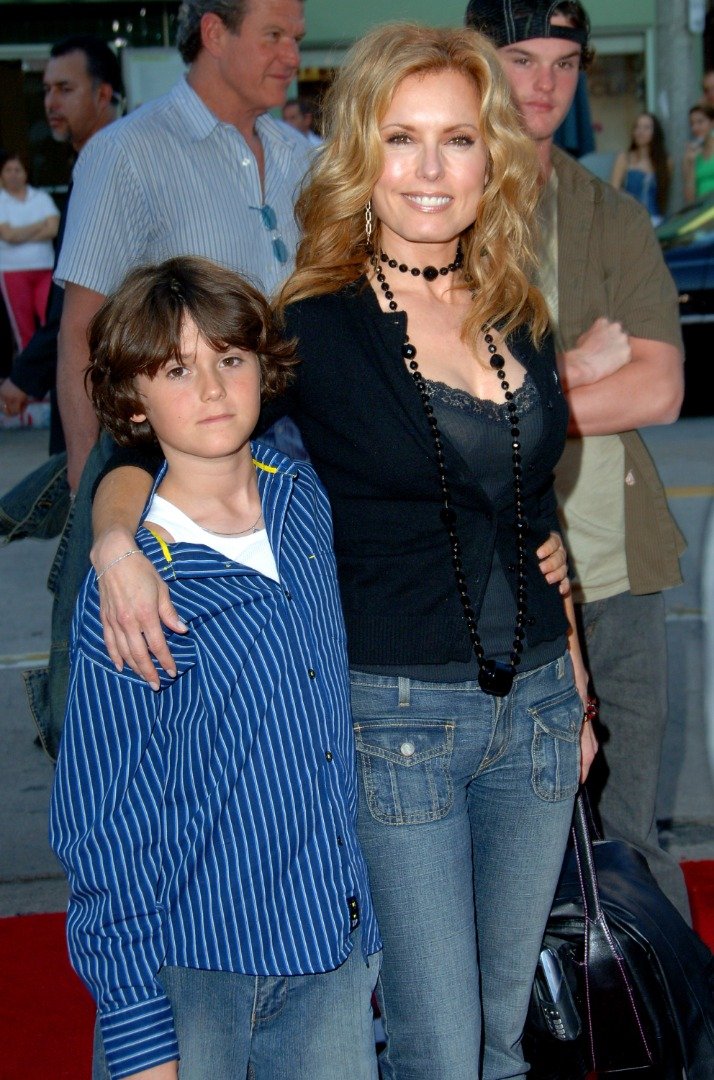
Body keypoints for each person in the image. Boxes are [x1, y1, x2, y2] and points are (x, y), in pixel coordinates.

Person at [86, 23, 596, 1079]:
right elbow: (168, 434)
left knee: (503, 1036)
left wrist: (580, 683)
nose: (428, 170)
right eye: (401, 138)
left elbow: (527, 504)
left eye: (456, 140)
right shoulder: (312, 330)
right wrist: (113, 539)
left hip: (541, 717)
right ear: (359, 153)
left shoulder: (518, 310)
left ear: (489, 156)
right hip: (397, 728)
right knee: (438, 1049)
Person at [50, 256, 382, 1080]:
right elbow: (102, 815)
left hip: (329, 949)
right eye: (175, 368)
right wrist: (136, 1031)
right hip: (194, 966)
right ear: (132, 396)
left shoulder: (303, 500)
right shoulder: (133, 583)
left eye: (229, 359)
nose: (210, 388)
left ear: (263, 369)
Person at [32, 0, 310, 762]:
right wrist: (98, 478)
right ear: (214, 34)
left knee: (283, 682)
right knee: (142, 689)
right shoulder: (129, 151)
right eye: (274, 36)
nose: (291, 55)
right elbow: (81, 332)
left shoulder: (304, 155)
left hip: (290, 464)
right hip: (163, 465)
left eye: (297, 39)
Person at [466, 0, 691, 921]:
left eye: (564, 61)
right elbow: (435, 405)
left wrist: (534, 399)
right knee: (507, 843)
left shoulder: (609, 214)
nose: (546, 83)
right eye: (523, 59)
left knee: (632, 830)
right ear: (479, 59)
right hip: (489, 571)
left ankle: (669, 1039)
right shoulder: (439, 205)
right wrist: (580, 373)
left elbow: (662, 390)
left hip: (615, 564)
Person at [0, 35, 124, 450]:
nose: (51, 102)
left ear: (103, 93)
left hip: (112, 381)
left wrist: (24, 375)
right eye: (47, 89)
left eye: (65, 89)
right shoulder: (89, 163)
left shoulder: (114, 167)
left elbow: (79, 300)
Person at [0, 152, 59, 351]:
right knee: (24, 329)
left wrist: (20, 234)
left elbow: (53, 229)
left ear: (26, 173)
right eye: (8, 170)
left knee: (50, 320)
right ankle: (30, 378)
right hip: (13, 272)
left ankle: (51, 372)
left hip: (45, 269)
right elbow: (8, 235)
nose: (13, 174)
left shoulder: (41, 197)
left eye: (18, 170)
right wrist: (39, 225)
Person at [610, 112, 672, 226]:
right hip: (630, 221)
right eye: (637, 127)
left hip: (656, 221)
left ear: (655, 132)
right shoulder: (624, 158)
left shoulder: (665, 162)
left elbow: (665, 196)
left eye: (646, 128)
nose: (640, 132)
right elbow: (614, 191)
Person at [683, 103, 714, 203]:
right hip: (703, 213)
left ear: (712, 123)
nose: (695, 128)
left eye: (700, 122)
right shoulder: (690, 156)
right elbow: (689, 200)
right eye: (692, 124)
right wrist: (691, 164)